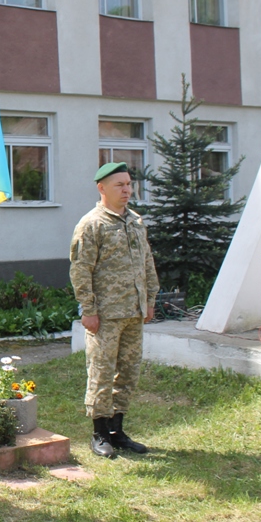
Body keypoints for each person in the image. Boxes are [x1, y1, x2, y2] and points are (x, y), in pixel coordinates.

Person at [69, 162, 158, 459]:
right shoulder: (92, 224)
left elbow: (147, 262)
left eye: (129, 184)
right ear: (102, 188)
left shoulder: (134, 221)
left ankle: (117, 430)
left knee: (128, 372)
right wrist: (89, 309)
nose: (127, 190)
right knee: (102, 372)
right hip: (105, 315)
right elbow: (81, 270)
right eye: (119, 184)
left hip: (133, 311)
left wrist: (150, 300)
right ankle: (99, 433)